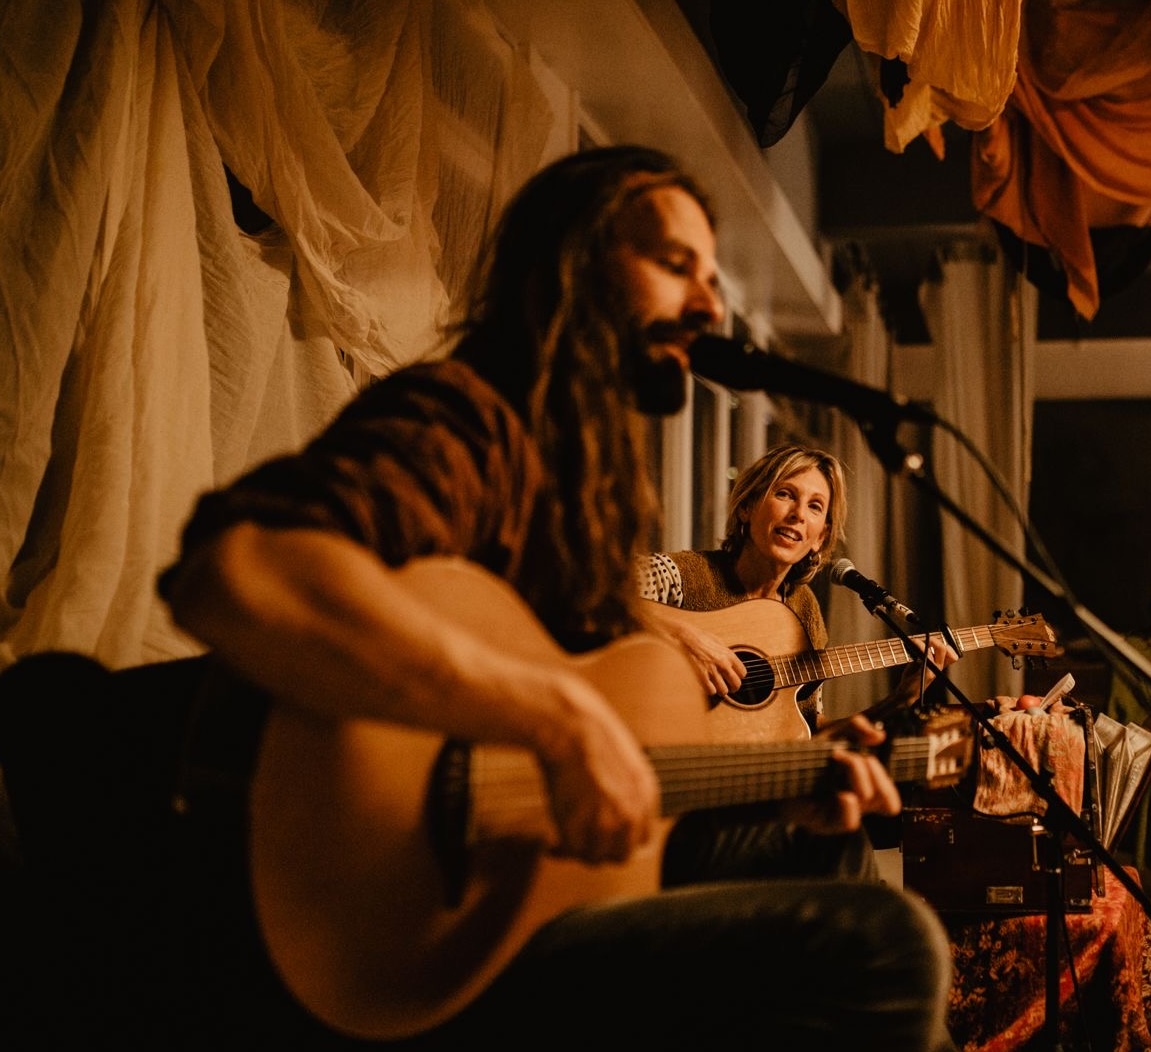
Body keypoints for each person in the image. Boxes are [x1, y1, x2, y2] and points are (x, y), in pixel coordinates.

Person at [158, 145, 956, 1050]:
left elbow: (627, 755)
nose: (709, 306)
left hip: (540, 863)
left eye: (710, 278)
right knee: (885, 946)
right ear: (574, 264)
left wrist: (780, 792)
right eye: (675, 265)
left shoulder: (591, 485)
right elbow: (239, 573)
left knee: (831, 847)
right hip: (395, 896)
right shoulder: (466, 420)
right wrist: (555, 721)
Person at [638, 444, 959, 882]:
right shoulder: (684, 575)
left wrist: (900, 698)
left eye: (815, 507)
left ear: (821, 536)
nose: (797, 515)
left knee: (843, 827)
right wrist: (682, 635)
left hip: (753, 799)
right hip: (671, 793)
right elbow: (585, 593)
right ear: (747, 506)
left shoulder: (804, 612)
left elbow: (807, 729)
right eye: (785, 494)